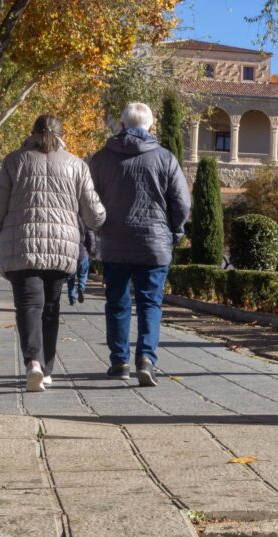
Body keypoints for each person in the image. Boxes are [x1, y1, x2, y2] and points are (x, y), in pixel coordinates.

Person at [0, 114, 105, 392]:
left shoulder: (14, 161)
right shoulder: (76, 165)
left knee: (29, 305)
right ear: (62, 134)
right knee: (51, 307)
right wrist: (101, 218)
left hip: (21, 244)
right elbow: (93, 213)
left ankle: (33, 364)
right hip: (62, 246)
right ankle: (48, 368)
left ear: (32, 132)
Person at [87, 102, 191, 387]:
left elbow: (87, 201)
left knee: (117, 303)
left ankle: (119, 362)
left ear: (121, 126)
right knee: (150, 304)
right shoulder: (166, 158)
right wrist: (175, 230)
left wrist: (95, 231)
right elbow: (181, 203)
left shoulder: (100, 159)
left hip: (114, 243)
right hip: (154, 245)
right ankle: (146, 359)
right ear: (151, 127)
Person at [66, 219, 95, 305]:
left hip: (70, 253)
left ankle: (72, 296)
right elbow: (91, 237)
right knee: (83, 274)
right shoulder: (85, 220)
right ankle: (81, 287)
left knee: (70, 277)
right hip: (83, 252)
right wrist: (91, 251)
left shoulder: (69, 219)